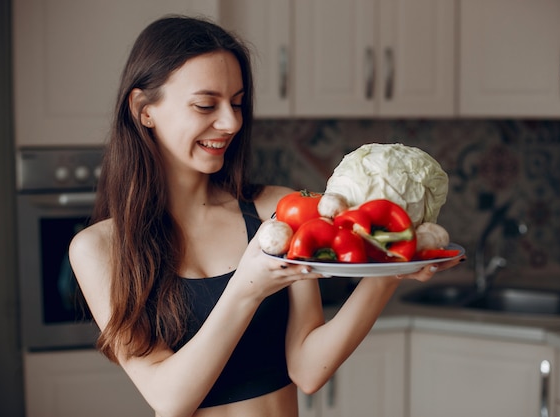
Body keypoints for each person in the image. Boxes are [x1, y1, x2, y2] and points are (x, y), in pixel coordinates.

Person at [69, 15, 464, 417]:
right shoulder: (100, 249)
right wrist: (247, 288)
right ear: (143, 109)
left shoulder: (280, 210)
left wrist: (390, 270)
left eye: (237, 103)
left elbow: (308, 370)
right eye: (206, 104)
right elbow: (169, 399)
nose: (231, 122)